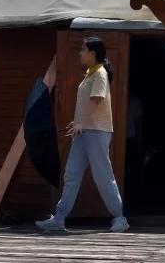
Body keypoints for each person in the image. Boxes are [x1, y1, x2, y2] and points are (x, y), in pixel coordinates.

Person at [37, 38, 129, 234]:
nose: (80, 53)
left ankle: (120, 218)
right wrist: (77, 122)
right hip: (84, 131)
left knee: (103, 175)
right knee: (71, 174)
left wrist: (82, 122)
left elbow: (97, 99)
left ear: (92, 53)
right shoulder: (90, 74)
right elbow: (89, 105)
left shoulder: (100, 74)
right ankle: (59, 218)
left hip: (96, 130)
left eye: (83, 50)